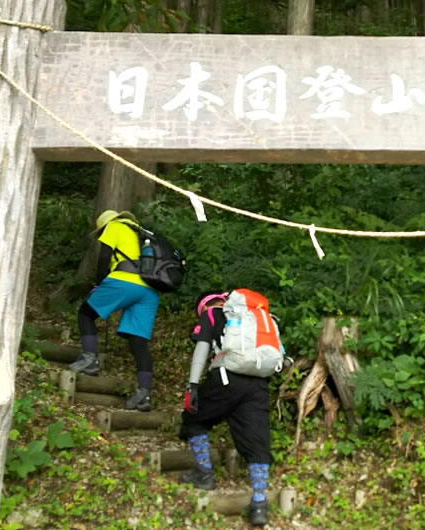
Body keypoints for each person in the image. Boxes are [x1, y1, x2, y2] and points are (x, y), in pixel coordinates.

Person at [178, 291, 273, 527]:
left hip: (225, 377)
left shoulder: (211, 313)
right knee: (257, 441)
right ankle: (259, 503)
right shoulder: (256, 317)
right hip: (258, 383)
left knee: (193, 418)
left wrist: (192, 385)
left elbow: (201, 348)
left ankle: (205, 474)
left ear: (206, 305)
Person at [69, 210, 160, 412]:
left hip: (125, 280)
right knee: (138, 341)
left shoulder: (114, 227)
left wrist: (99, 285)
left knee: (86, 313)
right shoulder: (142, 234)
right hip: (151, 289)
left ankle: (89, 359)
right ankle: (144, 394)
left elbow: (104, 259)